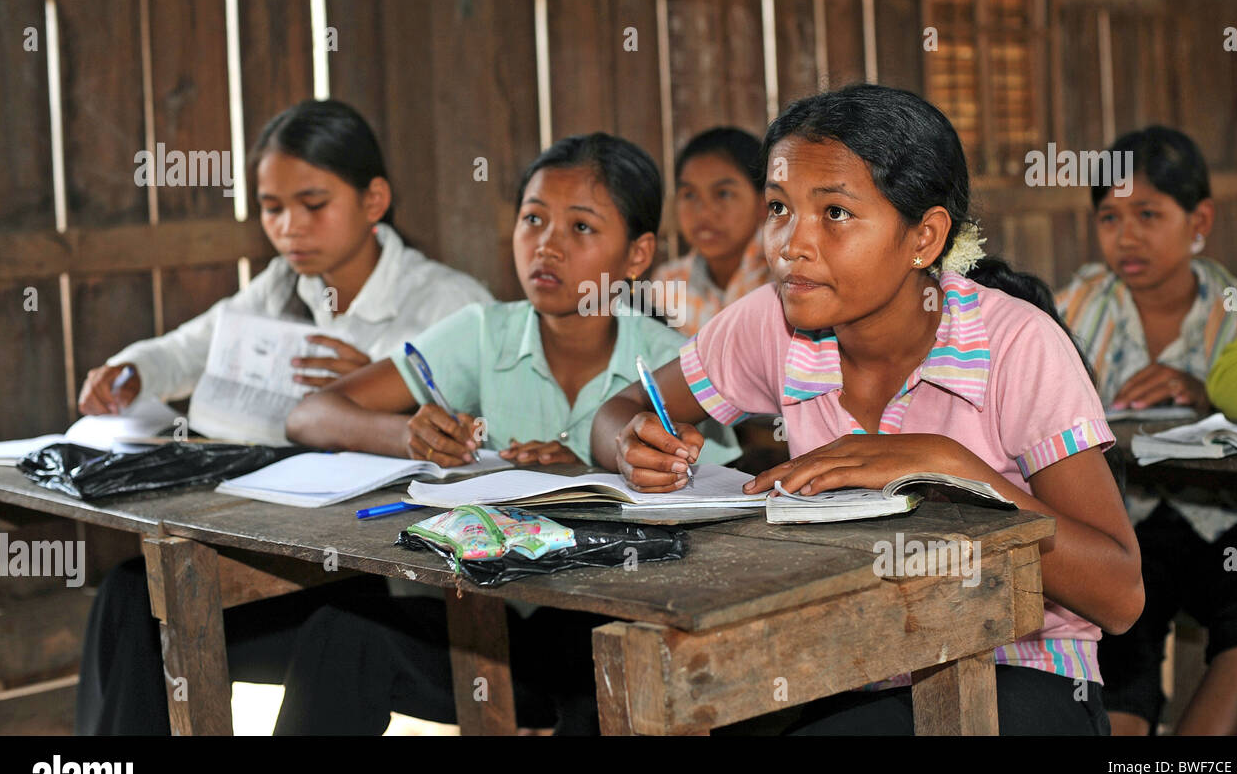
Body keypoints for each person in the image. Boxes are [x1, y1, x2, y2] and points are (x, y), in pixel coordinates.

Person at [592, 83, 1143, 735]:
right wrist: (629, 440)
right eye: (778, 207)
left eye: (835, 214)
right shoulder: (773, 322)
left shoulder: (1017, 345)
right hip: (853, 661)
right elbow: (624, 407)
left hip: (1025, 669)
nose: (790, 244)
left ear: (924, 237)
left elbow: (1119, 595)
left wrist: (948, 466)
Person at [273, 133, 738, 734]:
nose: (547, 245)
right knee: (341, 633)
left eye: (581, 228)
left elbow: (717, 505)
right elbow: (308, 415)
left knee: (613, 670)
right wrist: (408, 437)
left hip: (608, 624)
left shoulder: (671, 361)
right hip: (485, 629)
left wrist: (580, 468)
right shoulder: (483, 334)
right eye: (533, 219)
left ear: (637, 254)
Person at [75, 99, 491, 735]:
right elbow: (184, 349)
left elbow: (487, 440)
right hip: (283, 552)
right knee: (131, 594)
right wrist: (127, 372)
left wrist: (380, 382)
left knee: (335, 626)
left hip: (387, 574)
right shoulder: (277, 288)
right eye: (272, 208)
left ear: (374, 200)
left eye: (314, 204)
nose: (290, 226)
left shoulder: (447, 302)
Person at [1057, 125, 1237, 735]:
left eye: (1148, 213)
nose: (1127, 236)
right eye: (1110, 217)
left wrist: (1209, 396)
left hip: (1226, 525)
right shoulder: (1071, 311)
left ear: (1199, 220)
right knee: (1116, 625)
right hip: (1122, 522)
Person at [651, 126, 770, 337]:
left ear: (763, 203)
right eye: (689, 195)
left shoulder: (780, 276)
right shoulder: (667, 284)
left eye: (723, 194)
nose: (704, 212)